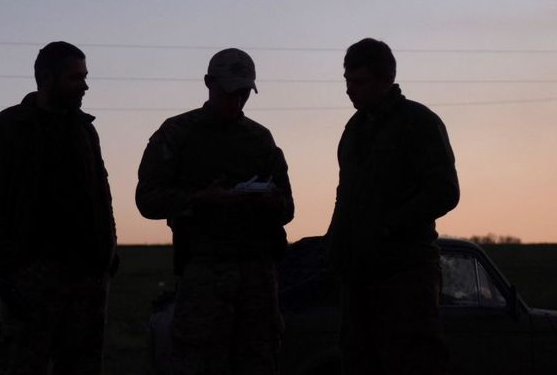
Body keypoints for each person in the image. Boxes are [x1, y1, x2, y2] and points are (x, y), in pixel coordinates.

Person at [136, 48, 294, 375]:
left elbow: (287, 206)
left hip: (258, 282)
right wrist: (198, 200)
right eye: (229, 91)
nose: (237, 100)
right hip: (204, 280)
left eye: (243, 93)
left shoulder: (260, 139)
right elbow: (147, 199)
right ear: (209, 83)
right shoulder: (177, 133)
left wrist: (268, 201)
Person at [0, 41, 118, 375]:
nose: (84, 85)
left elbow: (101, 193)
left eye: (85, 76)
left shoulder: (84, 129)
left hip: (87, 277)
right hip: (32, 278)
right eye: (74, 78)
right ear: (47, 78)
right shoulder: (8, 128)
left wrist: (107, 252)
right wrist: (9, 267)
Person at [326, 38, 459, 375]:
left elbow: (445, 191)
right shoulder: (353, 131)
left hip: (406, 275)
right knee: (358, 362)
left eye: (358, 82)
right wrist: (334, 247)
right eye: (347, 81)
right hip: (358, 277)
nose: (349, 91)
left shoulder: (419, 123)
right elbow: (345, 196)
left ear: (386, 79)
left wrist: (388, 226)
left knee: (414, 361)